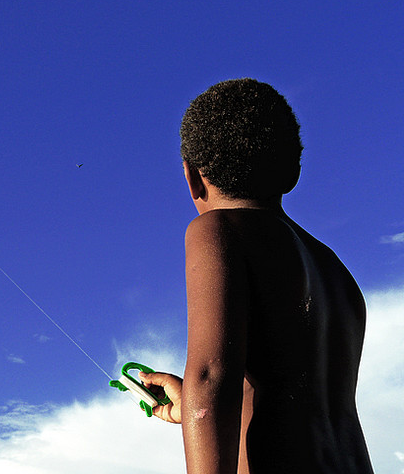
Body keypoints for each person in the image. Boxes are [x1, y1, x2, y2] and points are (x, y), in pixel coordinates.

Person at [138, 79, 374, 474]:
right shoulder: (336, 273)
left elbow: (212, 378)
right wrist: (187, 404)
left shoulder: (218, 229)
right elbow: (294, 388)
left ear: (192, 177)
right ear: (293, 171)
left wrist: (198, 399)